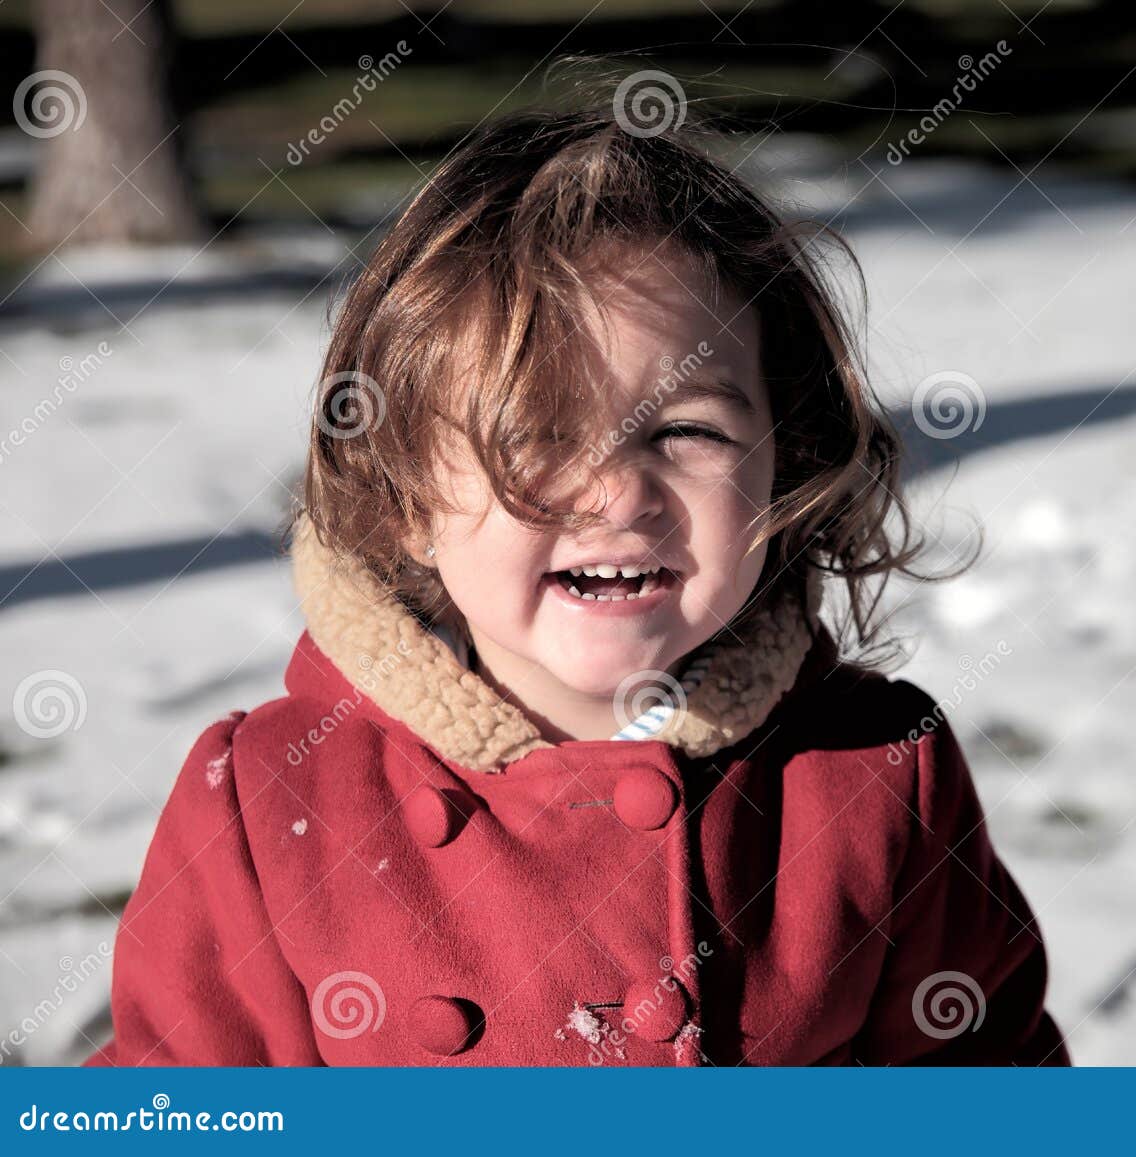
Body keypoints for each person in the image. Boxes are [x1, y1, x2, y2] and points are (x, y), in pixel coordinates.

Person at [86, 108, 1067, 1067]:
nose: (614, 494)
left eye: (686, 431)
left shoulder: (869, 774)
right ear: (406, 499)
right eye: (535, 438)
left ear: (785, 459)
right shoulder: (272, 802)